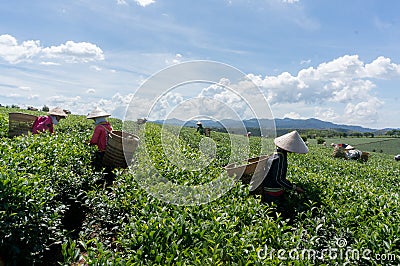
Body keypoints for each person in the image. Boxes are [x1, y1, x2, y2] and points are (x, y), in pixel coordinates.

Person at [256, 131, 307, 207]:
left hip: (267, 186)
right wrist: (294, 188)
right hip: (273, 190)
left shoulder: (275, 153)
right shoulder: (280, 158)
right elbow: (278, 179)